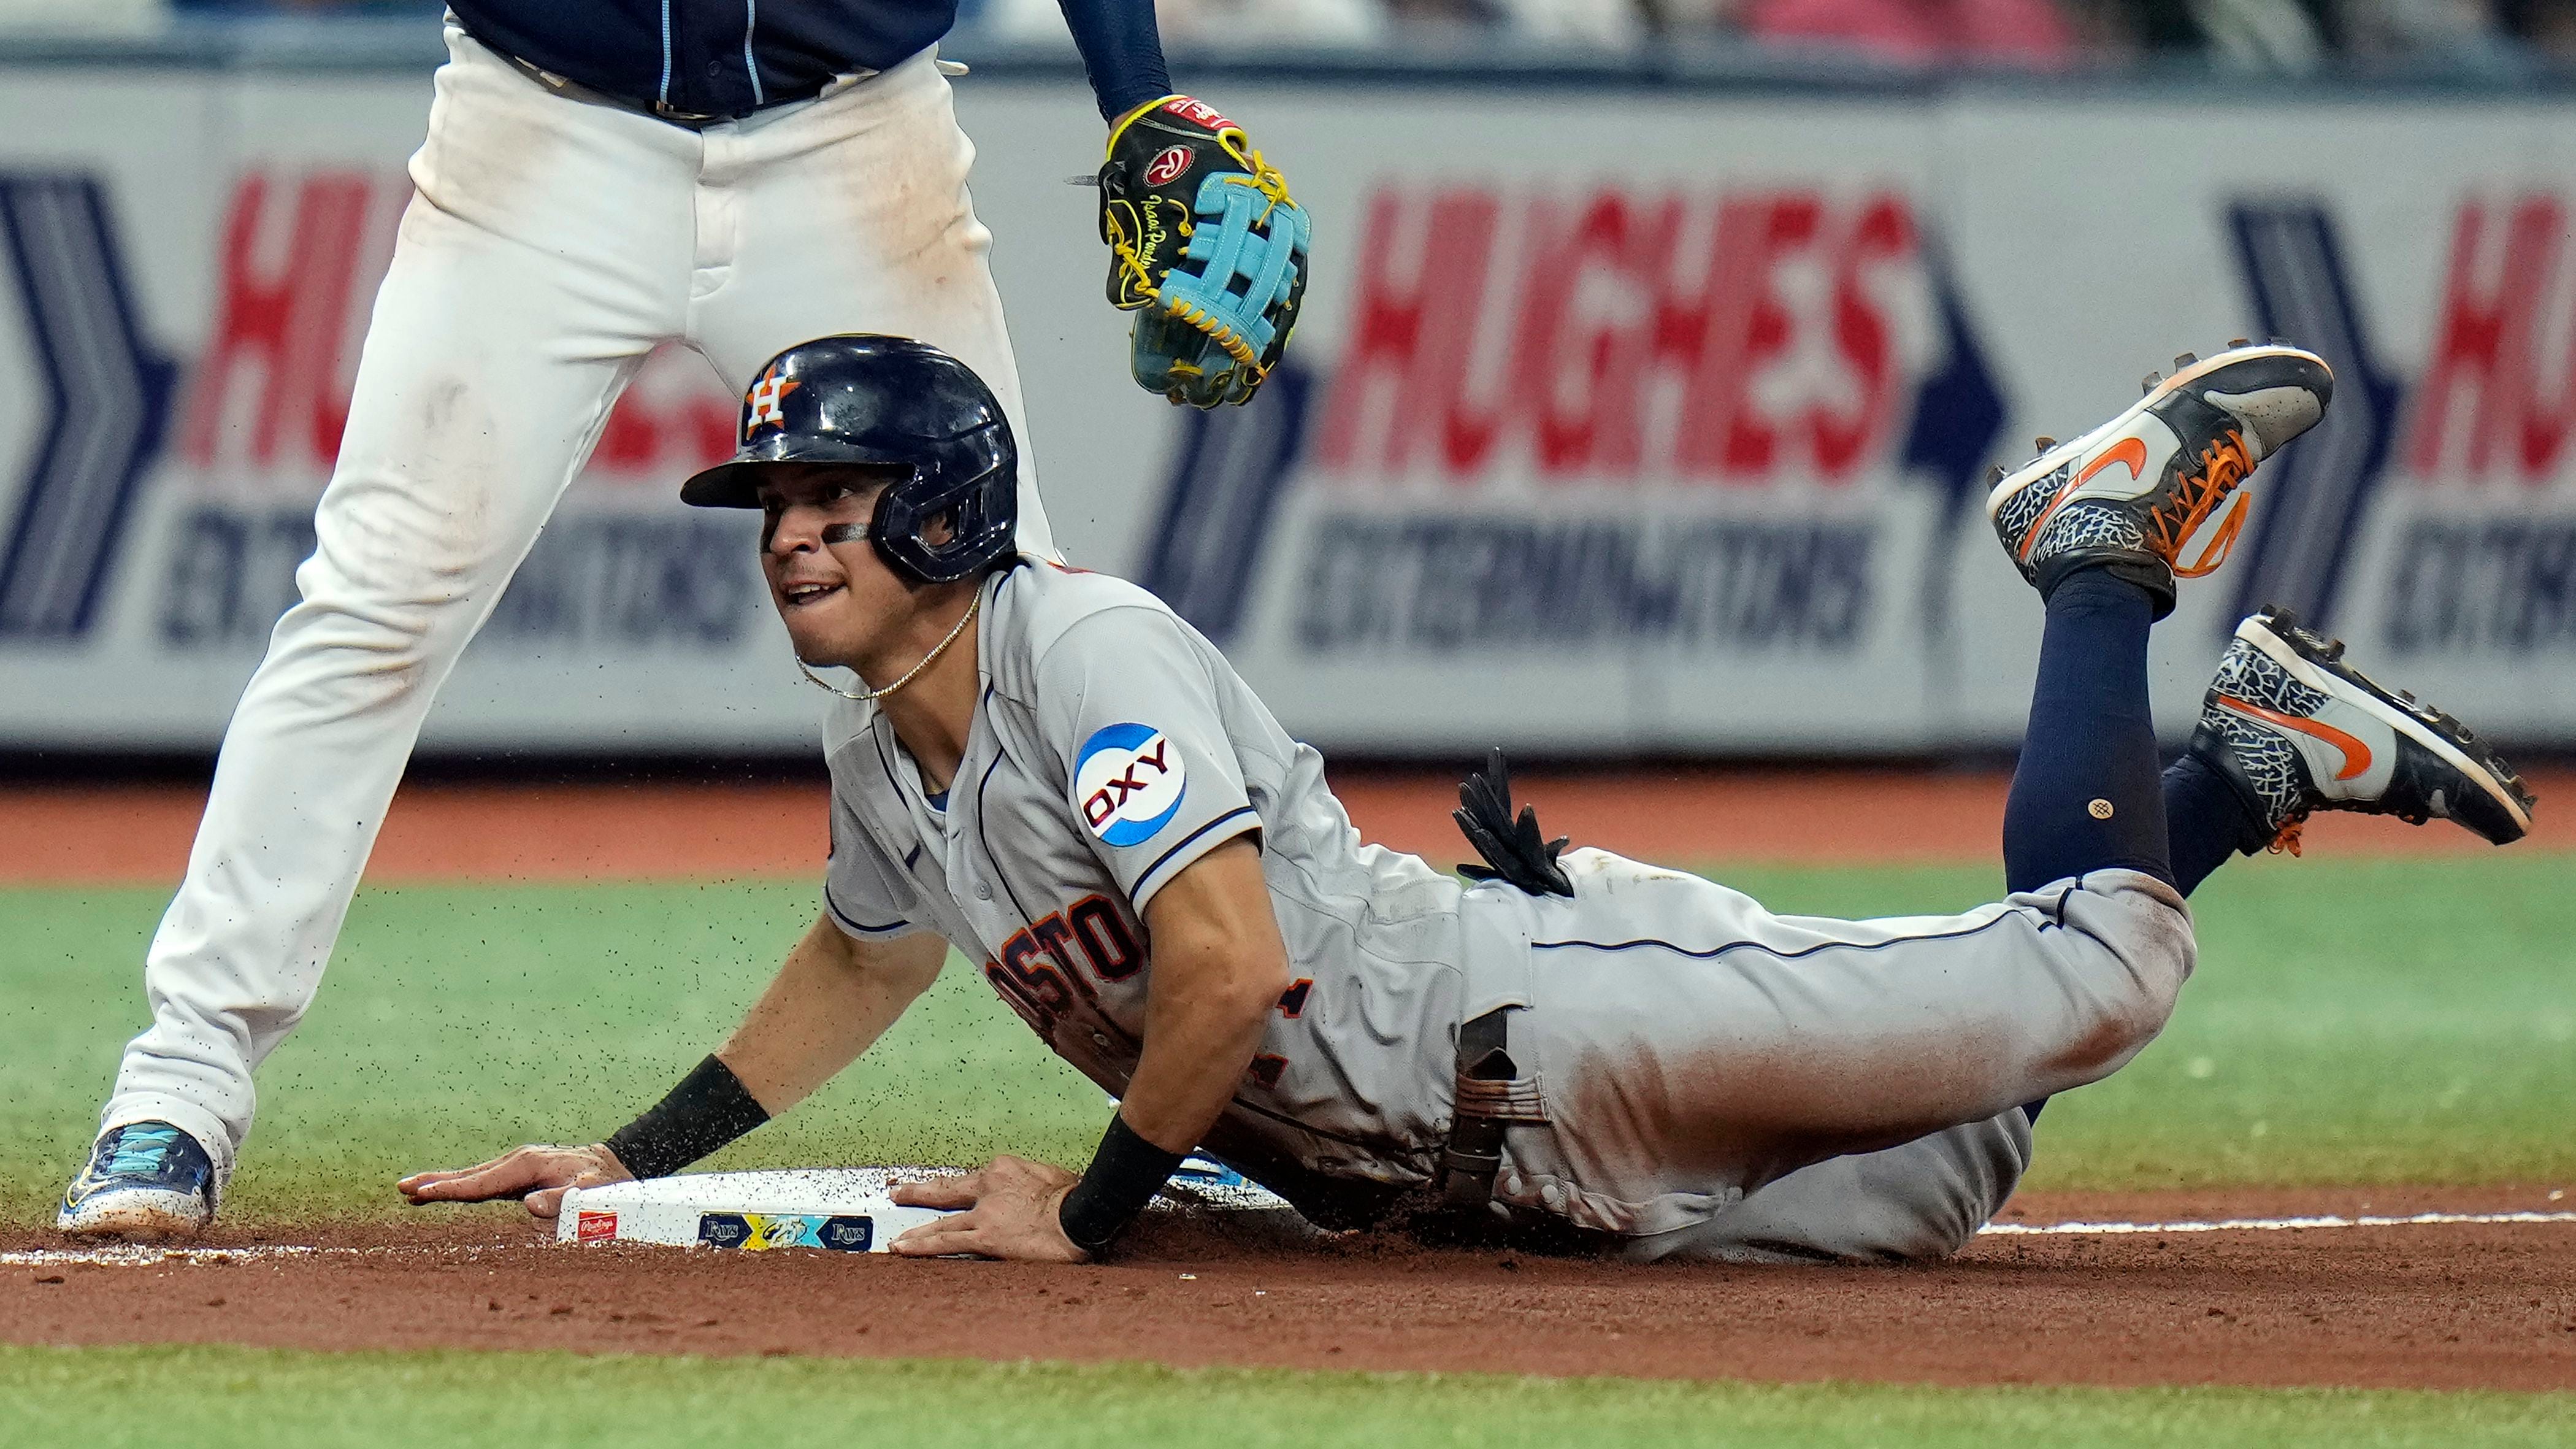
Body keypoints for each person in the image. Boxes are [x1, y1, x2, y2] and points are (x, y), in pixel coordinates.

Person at [400, 334, 2534, 1263]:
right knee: (1935, 1182)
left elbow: (1221, 975)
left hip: (1551, 1028)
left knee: (2097, 987)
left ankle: (2096, 552)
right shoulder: (890, 741)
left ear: (946, 505)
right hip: (1484, 1180)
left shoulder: (1086, 654)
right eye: (770, 503)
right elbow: (863, 958)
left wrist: (1099, 1210)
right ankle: (2245, 768)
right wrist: (626, 1147)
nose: (786, 533)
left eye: (829, 494)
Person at [61, 0, 1309, 1239]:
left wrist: (1134, 88)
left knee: (1001, 615)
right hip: (541, 128)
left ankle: (1201, 1101)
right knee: (376, 595)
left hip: (852, 131)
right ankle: (183, 1084)